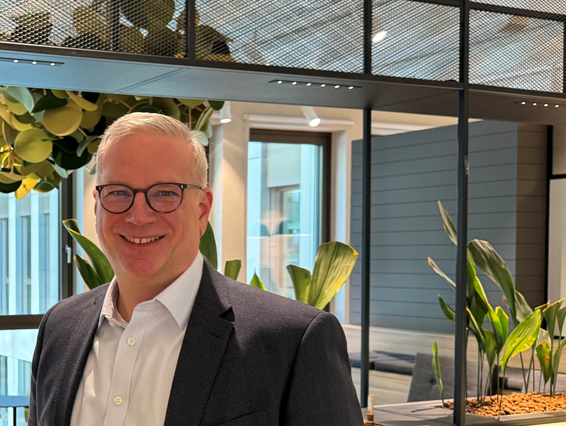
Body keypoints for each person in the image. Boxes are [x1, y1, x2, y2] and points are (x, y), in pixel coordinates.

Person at [28, 112, 361, 425]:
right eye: (118, 192)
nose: (138, 216)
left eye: (165, 193)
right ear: (97, 206)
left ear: (202, 209)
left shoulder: (293, 341)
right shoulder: (60, 326)